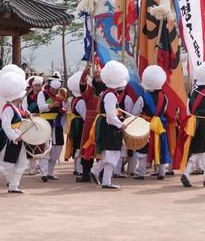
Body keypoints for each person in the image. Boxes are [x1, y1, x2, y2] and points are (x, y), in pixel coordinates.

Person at [0, 69, 29, 194]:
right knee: (8, 164)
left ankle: (14, 185)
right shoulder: (8, 108)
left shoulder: (14, 107)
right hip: (13, 140)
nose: (23, 96)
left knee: (22, 163)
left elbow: (16, 122)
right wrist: (14, 137)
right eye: (21, 94)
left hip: (19, 138)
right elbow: (6, 125)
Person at [178, 61, 205, 188]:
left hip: (194, 123)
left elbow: (188, 110)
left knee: (195, 150)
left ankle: (186, 173)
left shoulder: (193, 92)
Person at [91, 60, 129, 189]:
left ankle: (101, 177)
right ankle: (98, 174)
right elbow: (111, 115)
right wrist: (120, 125)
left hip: (108, 125)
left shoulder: (106, 93)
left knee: (110, 154)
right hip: (110, 127)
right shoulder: (111, 95)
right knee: (112, 154)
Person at [133, 65, 173, 180]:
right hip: (160, 126)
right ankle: (161, 173)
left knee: (143, 149)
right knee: (161, 147)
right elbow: (164, 110)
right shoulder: (165, 97)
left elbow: (135, 113)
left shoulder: (142, 97)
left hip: (146, 126)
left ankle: (141, 173)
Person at [37, 77, 66, 182]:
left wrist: (63, 109)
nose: (54, 91)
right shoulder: (43, 94)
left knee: (57, 148)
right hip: (45, 123)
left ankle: (50, 172)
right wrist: (52, 105)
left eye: (56, 90)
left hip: (57, 124)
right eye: (53, 89)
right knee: (46, 147)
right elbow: (41, 107)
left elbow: (65, 107)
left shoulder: (61, 95)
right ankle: (44, 173)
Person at [64, 71, 87, 177]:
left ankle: (76, 168)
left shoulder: (74, 99)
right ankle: (79, 169)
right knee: (79, 146)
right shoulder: (81, 101)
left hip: (76, 124)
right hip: (80, 125)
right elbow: (85, 115)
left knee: (77, 146)